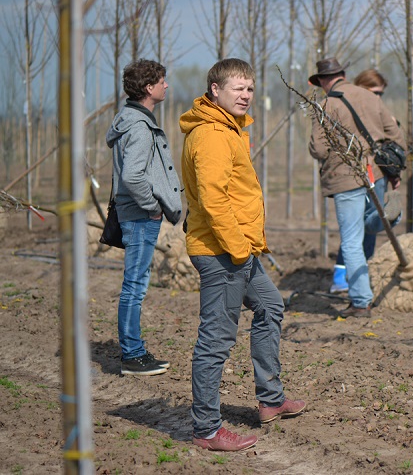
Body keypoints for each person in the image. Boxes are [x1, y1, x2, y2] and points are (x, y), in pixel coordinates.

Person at [180, 59, 305, 452]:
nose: (246, 95)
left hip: (238, 249)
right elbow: (215, 200)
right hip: (222, 251)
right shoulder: (213, 135)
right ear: (214, 90)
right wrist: (237, 249)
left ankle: (270, 399)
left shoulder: (230, 130)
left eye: (249, 88)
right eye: (237, 88)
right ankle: (207, 428)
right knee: (216, 340)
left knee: (270, 306)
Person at [308, 58, 405, 318]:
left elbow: (318, 149)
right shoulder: (369, 96)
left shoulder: (326, 104)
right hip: (377, 172)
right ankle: (388, 216)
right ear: (342, 75)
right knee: (370, 225)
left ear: (322, 81)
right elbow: (394, 134)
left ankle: (361, 302)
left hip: (346, 177)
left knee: (351, 240)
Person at [106, 59, 183, 377]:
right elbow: (134, 176)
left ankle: (133, 349)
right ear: (149, 88)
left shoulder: (131, 120)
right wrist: (152, 206)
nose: (166, 86)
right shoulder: (138, 126)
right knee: (135, 285)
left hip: (135, 214)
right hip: (139, 216)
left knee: (134, 283)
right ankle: (132, 355)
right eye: (162, 81)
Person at [329, 68, 401, 293]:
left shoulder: (379, 111)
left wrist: (394, 171)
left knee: (367, 225)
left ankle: (359, 275)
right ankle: (344, 276)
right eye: (373, 92)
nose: (376, 98)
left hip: (376, 173)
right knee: (355, 228)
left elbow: (395, 137)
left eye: (380, 94)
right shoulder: (343, 107)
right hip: (352, 173)